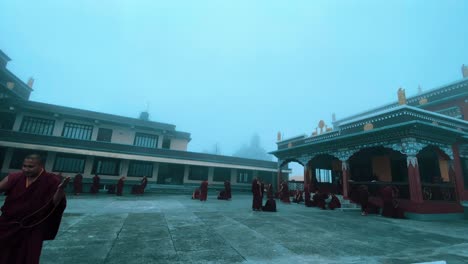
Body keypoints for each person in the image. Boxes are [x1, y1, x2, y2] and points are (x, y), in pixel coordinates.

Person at [0, 154, 69, 264]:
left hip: (33, 226)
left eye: (30, 166)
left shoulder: (51, 180)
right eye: (24, 166)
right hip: (8, 224)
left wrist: (60, 190)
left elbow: (54, 204)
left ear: (41, 166)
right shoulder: (15, 177)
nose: (26, 169)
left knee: (28, 256)